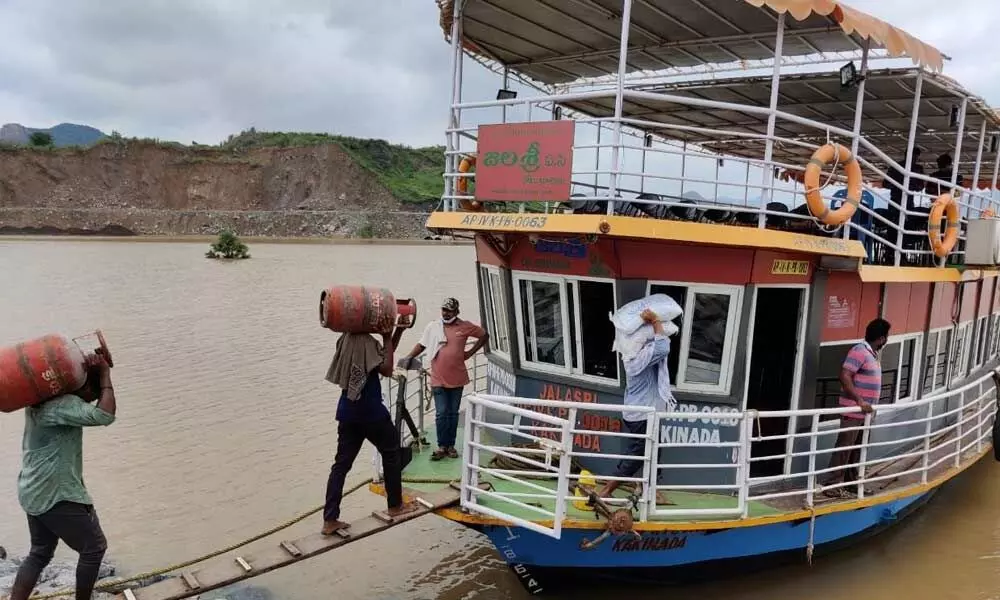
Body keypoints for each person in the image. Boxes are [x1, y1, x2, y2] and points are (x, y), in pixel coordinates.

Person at [10, 351, 116, 600]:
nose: (93, 397)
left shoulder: (40, 401)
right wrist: (105, 375)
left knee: (40, 552)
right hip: (55, 492)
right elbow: (105, 415)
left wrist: (98, 374)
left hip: (32, 489)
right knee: (94, 548)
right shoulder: (62, 405)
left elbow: (90, 403)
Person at [322, 321, 419, 535]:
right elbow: (385, 368)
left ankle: (329, 519)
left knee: (341, 466)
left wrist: (397, 332)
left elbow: (380, 357)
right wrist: (386, 336)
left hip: (347, 412)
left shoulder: (345, 338)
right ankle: (395, 505)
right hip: (371, 412)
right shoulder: (367, 342)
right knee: (391, 452)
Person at [596, 308, 675, 501]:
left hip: (640, 412)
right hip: (642, 414)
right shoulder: (639, 358)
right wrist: (655, 321)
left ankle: (650, 489)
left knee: (654, 450)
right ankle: (608, 489)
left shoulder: (629, 353)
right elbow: (663, 347)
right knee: (637, 454)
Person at [402, 298, 488, 461]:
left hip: (457, 378)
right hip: (438, 378)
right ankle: (442, 446)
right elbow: (422, 345)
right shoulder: (433, 326)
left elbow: (484, 335)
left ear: (456, 312)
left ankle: (451, 446)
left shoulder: (465, 326)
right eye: (444, 310)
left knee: (453, 414)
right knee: (441, 413)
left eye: (449, 310)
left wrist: (470, 352)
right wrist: (408, 357)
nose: (446, 313)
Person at [824, 318, 890, 498]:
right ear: (882, 338)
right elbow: (845, 375)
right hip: (853, 411)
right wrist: (860, 401)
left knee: (858, 449)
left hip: (865, 414)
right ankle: (832, 485)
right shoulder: (859, 351)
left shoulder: (871, 353)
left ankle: (851, 483)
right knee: (845, 447)